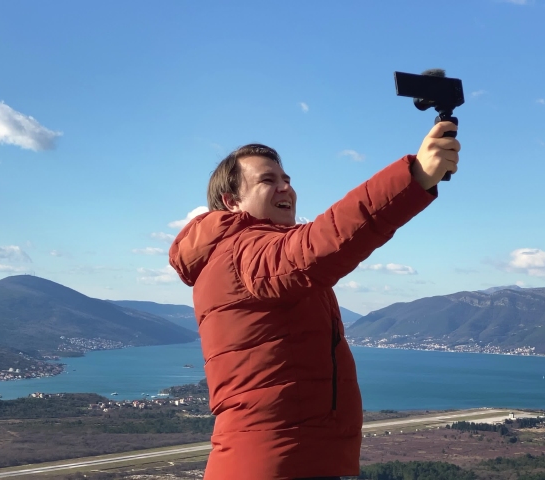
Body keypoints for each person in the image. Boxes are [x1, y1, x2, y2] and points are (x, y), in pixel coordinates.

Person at [169, 122, 460, 480]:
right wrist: (413, 177)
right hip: (277, 464)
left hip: (287, 459)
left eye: (287, 178)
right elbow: (316, 246)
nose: (286, 187)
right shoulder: (244, 251)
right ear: (232, 202)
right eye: (267, 180)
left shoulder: (239, 253)